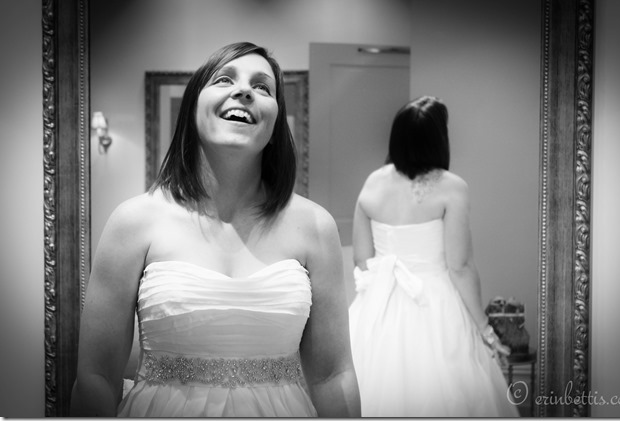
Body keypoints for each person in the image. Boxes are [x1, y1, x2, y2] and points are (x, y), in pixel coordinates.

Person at [70, 41, 360, 417]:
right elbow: (96, 377)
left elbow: (333, 376)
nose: (244, 91)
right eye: (224, 79)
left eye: (262, 87)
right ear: (193, 108)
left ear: (276, 124)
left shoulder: (316, 226)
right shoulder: (133, 221)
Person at [348, 95, 519, 417]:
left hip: (377, 303)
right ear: (439, 139)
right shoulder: (452, 187)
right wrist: (484, 328)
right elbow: (460, 266)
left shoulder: (373, 182)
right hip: (436, 303)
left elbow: (361, 260)